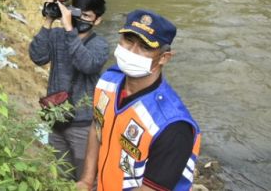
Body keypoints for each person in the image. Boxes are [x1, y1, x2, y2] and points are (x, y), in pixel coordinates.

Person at [77, 10, 201, 191]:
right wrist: (87, 181)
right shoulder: (108, 81)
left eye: (145, 47)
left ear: (164, 57)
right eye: (128, 40)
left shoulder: (172, 126)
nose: (132, 52)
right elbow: (97, 127)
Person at [28, 0, 109, 181]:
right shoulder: (58, 35)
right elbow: (38, 57)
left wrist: (68, 30)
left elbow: (87, 64)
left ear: (97, 20)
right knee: (62, 176)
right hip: (56, 118)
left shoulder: (100, 45)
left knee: (86, 179)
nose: (80, 19)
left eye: (87, 16)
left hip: (83, 124)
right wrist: (48, 20)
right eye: (77, 13)